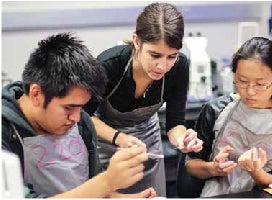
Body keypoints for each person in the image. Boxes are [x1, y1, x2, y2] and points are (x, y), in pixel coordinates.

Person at [1, 32, 156, 198]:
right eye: (69, 107)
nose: (75, 117)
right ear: (36, 94)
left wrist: (123, 197)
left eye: (80, 107)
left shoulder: (82, 124)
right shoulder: (6, 132)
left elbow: (92, 190)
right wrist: (107, 181)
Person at [83, 2, 203, 196]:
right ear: (136, 41)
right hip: (105, 141)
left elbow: (175, 123)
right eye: (155, 55)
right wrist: (119, 138)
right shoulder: (109, 65)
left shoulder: (180, 67)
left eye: (171, 56)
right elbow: (82, 116)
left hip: (148, 142)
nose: (162, 66)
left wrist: (183, 140)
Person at [185, 37, 272, 197]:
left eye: (260, 84)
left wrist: (256, 172)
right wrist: (213, 168)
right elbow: (191, 164)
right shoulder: (217, 109)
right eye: (242, 81)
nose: (250, 91)